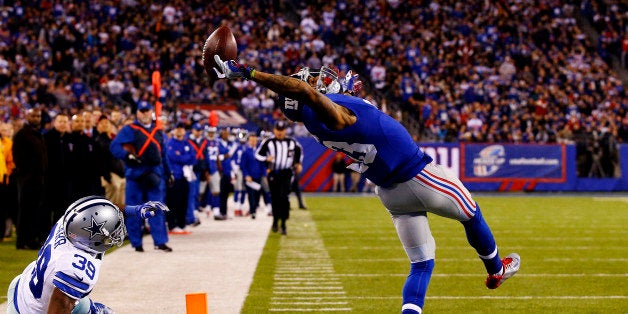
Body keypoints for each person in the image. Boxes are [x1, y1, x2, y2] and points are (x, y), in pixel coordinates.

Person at [213, 57, 521, 312]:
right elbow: (304, 93)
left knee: (421, 264)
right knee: (471, 213)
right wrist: (249, 72)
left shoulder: (320, 120)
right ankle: (496, 270)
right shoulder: (329, 112)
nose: (319, 82)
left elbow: (317, 97)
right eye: (313, 83)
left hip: (391, 194)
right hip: (418, 175)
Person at [6, 195, 169, 314]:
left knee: (79, 299)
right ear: (94, 239)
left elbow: (102, 211)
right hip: (32, 310)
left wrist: (136, 210)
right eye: (111, 231)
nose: (117, 231)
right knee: (71, 294)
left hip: (22, 286)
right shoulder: (76, 268)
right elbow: (60, 302)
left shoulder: (71, 221)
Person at [109, 101, 173, 252]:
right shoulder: (129, 129)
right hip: (135, 176)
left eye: (147, 110)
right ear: (137, 112)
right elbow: (114, 146)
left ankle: (160, 242)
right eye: (141, 110)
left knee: (157, 208)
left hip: (155, 175)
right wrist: (127, 155)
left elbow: (163, 154)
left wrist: (169, 172)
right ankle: (136, 243)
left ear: (151, 112)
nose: (144, 113)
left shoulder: (158, 131)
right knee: (135, 210)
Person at [254, 120, 302, 235]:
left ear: (285, 131)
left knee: (284, 197)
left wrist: (298, 163)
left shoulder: (291, 142)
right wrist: (266, 159)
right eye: (278, 130)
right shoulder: (268, 141)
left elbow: (298, 150)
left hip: (286, 172)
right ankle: (275, 221)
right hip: (274, 173)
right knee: (275, 198)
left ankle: (284, 223)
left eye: (282, 130)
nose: (280, 133)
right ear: (274, 130)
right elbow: (258, 154)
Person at [12, 107, 49, 250]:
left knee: (34, 211)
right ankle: (22, 241)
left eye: (38, 116)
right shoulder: (22, 134)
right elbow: (18, 158)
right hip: (27, 179)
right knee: (26, 210)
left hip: (39, 179)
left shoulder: (37, 134)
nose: (36, 118)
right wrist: (27, 174)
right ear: (27, 116)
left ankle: (31, 239)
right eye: (33, 115)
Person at [165, 122, 196, 234]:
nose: (179, 130)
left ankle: (182, 224)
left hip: (185, 176)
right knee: (173, 201)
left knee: (184, 201)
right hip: (174, 176)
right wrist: (184, 157)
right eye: (177, 128)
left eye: (181, 128)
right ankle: (172, 225)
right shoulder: (170, 143)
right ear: (174, 130)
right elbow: (172, 157)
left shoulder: (187, 143)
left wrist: (181, 157)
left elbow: (193, 158)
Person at [43, 113, 73, 222]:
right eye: (60, 121)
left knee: (62, 211)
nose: (62, 124)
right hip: (49, 180)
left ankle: (58, 235)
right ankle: (44, 236)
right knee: (46, 209)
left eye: (65, 121)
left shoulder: (70, 138)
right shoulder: (46, 138)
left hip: (65, 181)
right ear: (54, 123)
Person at [95, 114, 126, 208]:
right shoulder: (98, 140)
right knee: (111, 203)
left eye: (107, 123)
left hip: (121, 173)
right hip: (110, 175)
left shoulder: (114, 139)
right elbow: (100, 160)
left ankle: (121, 221)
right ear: (98, 127)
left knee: (121, 203)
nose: (105, 125)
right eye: (102, 123)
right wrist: (106, 176)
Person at [240, 131, 267, 219]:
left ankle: (254, 208)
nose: (253, 142)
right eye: (251, 140)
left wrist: (264, 175)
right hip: (249, 177)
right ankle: (253, 211)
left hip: (258, 176)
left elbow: (263, 164)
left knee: (257, 194)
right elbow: (243, 165)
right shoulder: (246, 151)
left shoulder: (259, 151)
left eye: (254, 140)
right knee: (251, 194)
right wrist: (246, 175)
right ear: (248, 141)